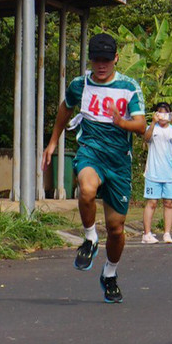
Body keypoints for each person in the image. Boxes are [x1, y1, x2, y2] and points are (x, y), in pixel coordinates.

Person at [41, 32, 146, 304]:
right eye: (97, 60)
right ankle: (89, 238)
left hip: (119, 163)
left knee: (117, 229)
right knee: (86, 190)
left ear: (116, 59)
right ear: (90, 59)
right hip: (90, 152)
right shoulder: (81, 84)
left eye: (107, 61)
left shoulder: (129, 87)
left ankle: (109, 274)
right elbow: (65, 108)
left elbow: (141, 125)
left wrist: (120, 122)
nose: (101, 66)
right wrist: (53, 142)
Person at [140, 102, 172, 244]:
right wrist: (153, 123)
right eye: (160, 113)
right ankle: (147, 233)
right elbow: (146, 138)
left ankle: (167, 233)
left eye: (166, 114)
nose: (163, 117)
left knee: (169, 203)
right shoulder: (151, 128)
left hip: (171, 173)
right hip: (153, 172)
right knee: (152, 202)